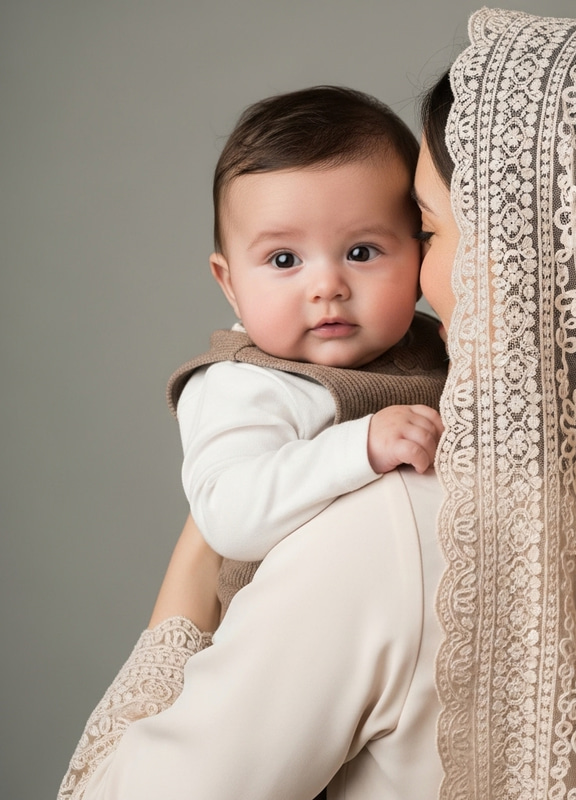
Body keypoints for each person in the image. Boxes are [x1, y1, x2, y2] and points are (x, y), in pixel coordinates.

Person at [59, 9, 576, 800]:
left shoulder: (396, 537)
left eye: (427, 231)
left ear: (525, 253)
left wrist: (194, 563)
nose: (414, 279)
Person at [170, 86, 445, 564]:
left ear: (419, 259)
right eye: (284, 259)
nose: (327, 287)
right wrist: (360, 445)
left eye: (361, 253)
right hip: (297, 627)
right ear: (229, 282)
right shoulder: (243, 384)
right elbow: (228, 518)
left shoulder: (442, 345)